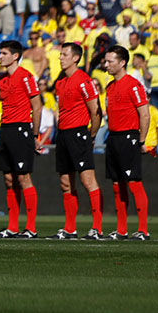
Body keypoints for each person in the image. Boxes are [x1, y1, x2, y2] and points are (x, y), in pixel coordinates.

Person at [50, 42, 106, 239]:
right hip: (63, 135)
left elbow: (96, 111)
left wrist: (91, 134)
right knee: (65, 182)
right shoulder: (61, 83)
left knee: (87, 180)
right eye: (61, 54)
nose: (61, 57)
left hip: (79, 133)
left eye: (64, 54)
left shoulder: (84, 80)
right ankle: (70, 228)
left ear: (75, 58)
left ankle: (97, 227)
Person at [99, 45, 152, 240]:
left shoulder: (133, 85)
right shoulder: (110, 87)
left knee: (134, 182)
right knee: (116, 184)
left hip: (129, 136)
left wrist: (141, 140)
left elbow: (144, 114)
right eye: (106, 61)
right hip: (113, 138)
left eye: (110, 61)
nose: (106, 65)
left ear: (122, 63)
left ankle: (144, 230)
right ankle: (121, 230)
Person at [0, 39, 43, 238]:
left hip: (21, 128)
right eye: (0, 53)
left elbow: (37, 106)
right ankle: (12, 227)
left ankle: (31, 228)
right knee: (8, 178)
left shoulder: (26, 77)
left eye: (4, 53)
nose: (0, 56)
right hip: (5, 129)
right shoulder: (2, 80)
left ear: (15, 56)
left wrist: (35, 134)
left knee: (23, 177)